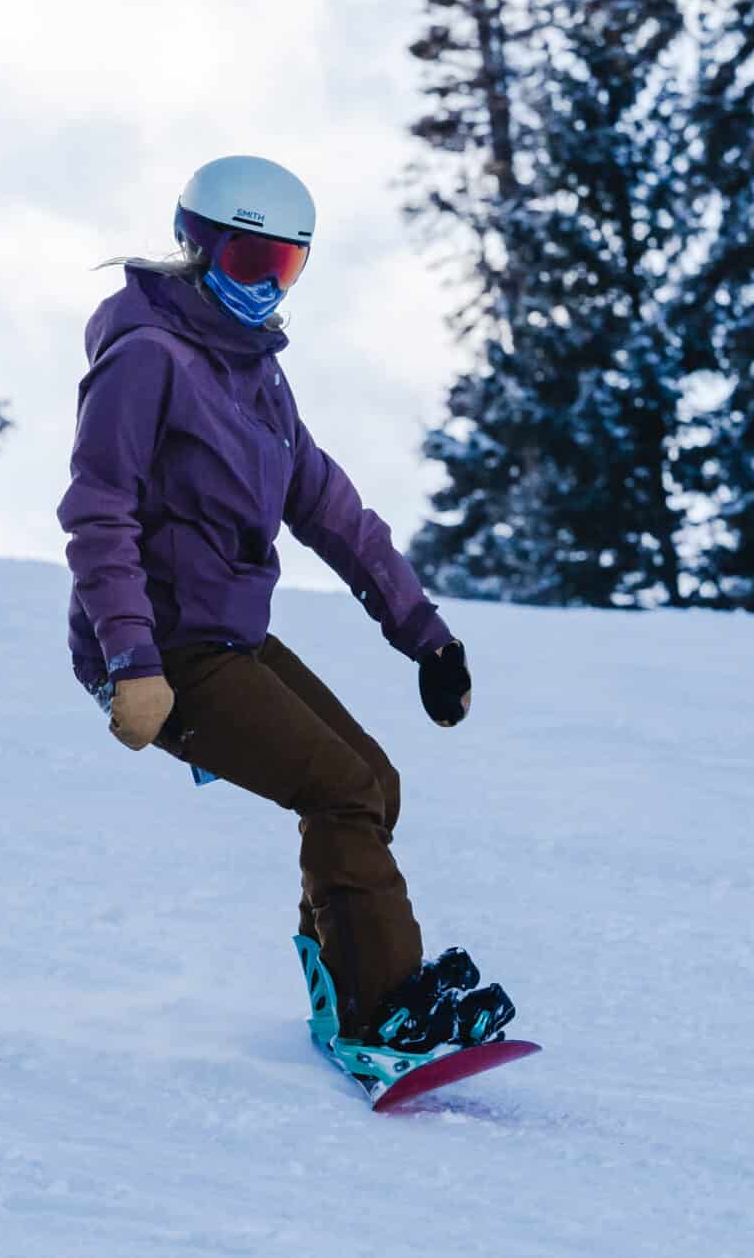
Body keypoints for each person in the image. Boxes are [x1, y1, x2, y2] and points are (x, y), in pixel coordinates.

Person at [59, 154, 515, 1055]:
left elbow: (331, 509)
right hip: (167, 650)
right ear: (195, 247)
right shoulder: (146, 356)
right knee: (339, 790)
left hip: (229, 636)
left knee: (371, 783)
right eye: (244, 262)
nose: (265, 287)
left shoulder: (256, 374)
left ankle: (341, 974)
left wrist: (428, 638)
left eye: (286, 267)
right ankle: (379, 1009)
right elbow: (96, 511)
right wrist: (132, 664)